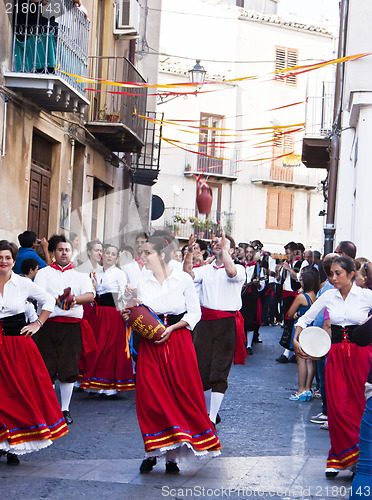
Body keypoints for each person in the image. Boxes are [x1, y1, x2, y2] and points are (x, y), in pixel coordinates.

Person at [123, 237, 221, 474]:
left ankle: (171, 458)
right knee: (150, 397)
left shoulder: (183, 278)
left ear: (162, 255)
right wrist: (128, 313)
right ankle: (151, 452)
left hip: (178, 340)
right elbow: (132, 310)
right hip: (150, 342)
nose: (143, 256)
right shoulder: (140, 280)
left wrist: (173, 328)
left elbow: (195, 312)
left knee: (179, 394)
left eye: (148, 253)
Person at [293, 256, 372, 478]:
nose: (333, 278)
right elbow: (304, 318)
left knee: (359, 405)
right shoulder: (328, 295)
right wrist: (298, 338)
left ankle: (358, 458)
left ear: (351, 275)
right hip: (336, 355)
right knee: (337, 407)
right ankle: (339, 457)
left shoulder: (366, 296)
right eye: (331, 274)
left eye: (338, 273)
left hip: (361, 356)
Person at [0, 240, 68, 465]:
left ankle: (14, 446)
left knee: (19, 393)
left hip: (17, 346)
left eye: (7, 258)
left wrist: (38, 323)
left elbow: (48, 300)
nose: (3, 261)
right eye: (0, 257)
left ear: (13, 260)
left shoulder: (22, 283)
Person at [184, 231, 246, 426]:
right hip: (205, 324)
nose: (216, 244)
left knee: (219, 371)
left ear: (231, 249)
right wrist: (188, 253)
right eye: (215, 242)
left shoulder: (239, 268)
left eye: (221, 242)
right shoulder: (205, 269)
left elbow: (231, 272)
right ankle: (210, 412)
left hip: (227, 324)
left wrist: (225, 249)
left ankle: (211, 418)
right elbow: (186, 277)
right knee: (201, 371)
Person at [34, 236, 95, 425]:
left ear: (72, 253)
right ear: (53, 252)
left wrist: (74, 300)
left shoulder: (80, 274)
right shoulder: (43, 273)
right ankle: (49, 409)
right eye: (60, 250)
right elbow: (37, 294)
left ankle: (65, 409)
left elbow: (91, 295)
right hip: (48, 324)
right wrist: (57, 300)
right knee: (47, 366)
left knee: (69, 367)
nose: (64, 253)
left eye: (67, 250)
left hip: (71, 324)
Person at [79, 244, 134, 395]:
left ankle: (109, 385)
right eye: (107, 253)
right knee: (97, 346)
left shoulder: (119, 273)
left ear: (117, 259)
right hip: (98, 313)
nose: (109, 256)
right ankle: (97, 381)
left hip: (112, 314)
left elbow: (122, 295)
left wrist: (123, 309)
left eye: (113, 254)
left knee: (109, 347)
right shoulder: (97, 273)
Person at [287, 269, 319, 401]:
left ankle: (301, 390)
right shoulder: (316, 296)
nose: (299, 281)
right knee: (310, 361)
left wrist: (297, 314)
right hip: (313, 330)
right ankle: (308, 389)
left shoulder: (301, 297)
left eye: (301, 279)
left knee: (301, 361)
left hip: (301, 330)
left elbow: (290, 314)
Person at [276, 242, 302, 363]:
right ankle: (290, 351)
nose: (287, 256)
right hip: (285, 295)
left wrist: (289, 269)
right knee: (287, 322)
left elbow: (299, 278)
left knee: (291, 323)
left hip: (294, 296)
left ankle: (288, 352)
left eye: (288, 253)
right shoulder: (288, 264)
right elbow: (281, 280)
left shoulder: (300, 263)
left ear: (295, 253)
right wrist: (279, 271)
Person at [240, 244, 265, 355]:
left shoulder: (258, 268)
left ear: (254, 254)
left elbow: (262, 285)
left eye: (251, 252)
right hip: (241, 297)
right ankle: (241, 343)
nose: (249, 254)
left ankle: (249, 345)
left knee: (250, 321)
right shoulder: (240, 266)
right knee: (241, 321)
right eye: (247, 252)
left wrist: (257, 284)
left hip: (252, 298)